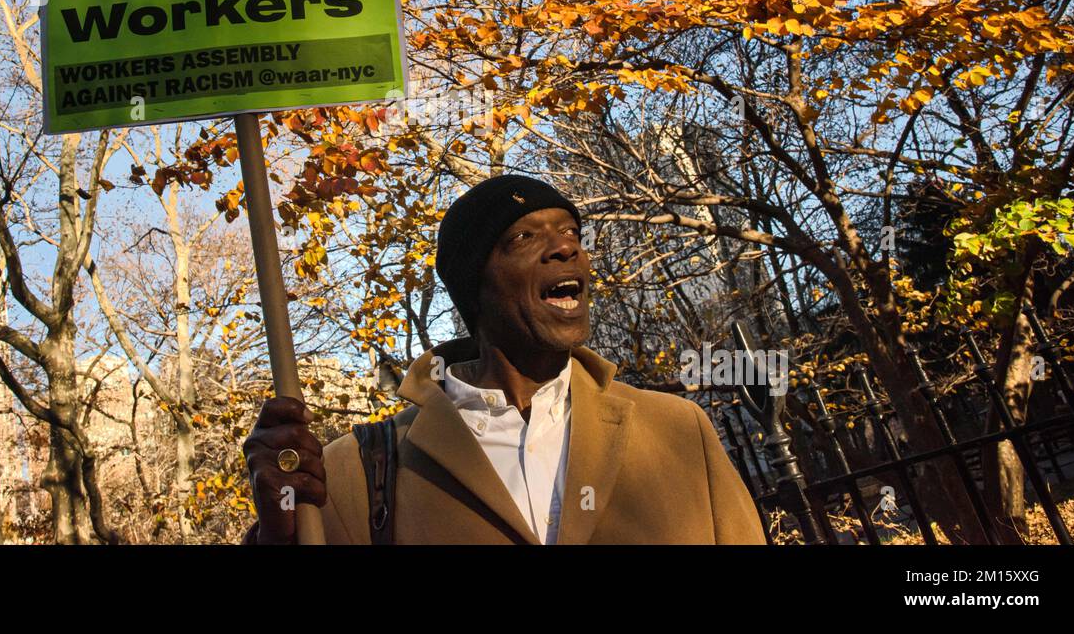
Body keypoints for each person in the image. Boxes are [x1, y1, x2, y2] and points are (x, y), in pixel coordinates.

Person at [242, 174, 767, 544]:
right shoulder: (355, 469)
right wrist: (278, 527)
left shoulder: (678, 432)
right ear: (475, 288)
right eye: (524, 237)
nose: (566, 249)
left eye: (571, 234)